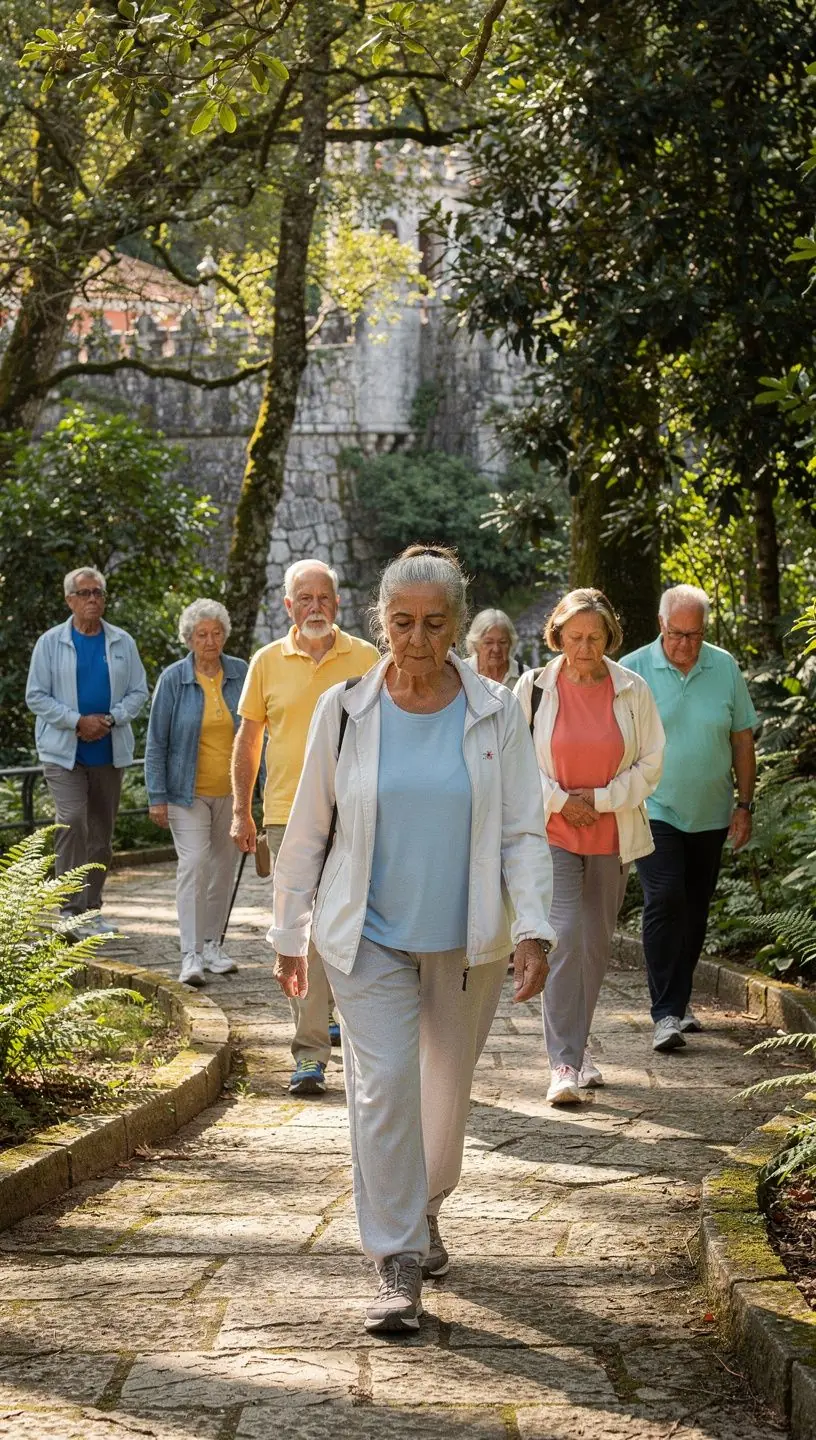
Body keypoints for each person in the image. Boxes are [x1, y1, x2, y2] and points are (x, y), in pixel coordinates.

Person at [269, 544, 556, 1333]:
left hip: (467, 944)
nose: (419, 640)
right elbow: (307, 833)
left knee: (442, 1094)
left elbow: (522, 832)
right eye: (402, 623)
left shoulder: (496, 711)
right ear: (381, 623)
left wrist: (534, 927)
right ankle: (394, 1260)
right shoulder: (345, 710)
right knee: (383, 1086)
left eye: (434, 624)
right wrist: (289, 931)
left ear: (458, 626)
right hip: (367, 939)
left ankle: (427, 1204)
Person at [230, 559, 380, 1096]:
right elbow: (248, 743)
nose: (315, 607)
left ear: (336, 604)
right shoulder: (267, 661)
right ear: (288, 606)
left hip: (357, 815)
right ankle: (310, 1054)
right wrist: (240, 810)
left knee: (360, 926)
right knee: (301, 932)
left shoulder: (366, 658)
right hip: (286, 815)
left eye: (324, 598)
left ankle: (361, 1039)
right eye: (304, 599)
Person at [514, 589, 664, 1104]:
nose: (584, 648)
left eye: (594, 638)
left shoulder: (632, 690)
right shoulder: (533, 688)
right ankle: (562, 1064)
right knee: (568, 935)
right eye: (574, 637)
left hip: (610, 832)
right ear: (557, 635)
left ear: (609, 638)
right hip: (552, 831)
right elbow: (513, 764)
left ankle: (577, 1048)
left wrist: (600, 799)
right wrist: (560, 800)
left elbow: (651, 763)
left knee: (595, 947)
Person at [620, 584, 757, 1053]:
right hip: (654, 807)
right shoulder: (633, 669)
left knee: (695, 908)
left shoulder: (725, 667)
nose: (685, 645)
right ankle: (664, 1013)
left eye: (695, 635)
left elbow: (742, 740)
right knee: (664, 897)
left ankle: (678, 1000)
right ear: (661, 626)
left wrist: (745, 804)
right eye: (677, 634)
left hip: (712, 811)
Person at [25, 567, 149, 935]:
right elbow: (36, 695)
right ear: (70, 600)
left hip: (108, 751)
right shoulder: (50, 643)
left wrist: (109, 719)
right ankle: (68, 910)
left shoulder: (122, 641)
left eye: (99, 593)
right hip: (63, 752)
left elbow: (139, 692)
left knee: (101, 834)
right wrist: (77, 721)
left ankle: (92, 909)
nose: (94, 599)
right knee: (72, 820)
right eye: (86, 593)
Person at [145, 599, 248, 987]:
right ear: (189, 638)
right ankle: (190, 954)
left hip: (232, 794)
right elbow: (156, 742)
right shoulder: (174, 679)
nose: (211, 641)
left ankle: (212, 946)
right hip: (184, 793)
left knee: (222, 870)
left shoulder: (240, 672)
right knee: (194, 865)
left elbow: (257, 733)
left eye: (217, 633)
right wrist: (157, 795)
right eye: (202, 634)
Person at [465, 608, 523, 687]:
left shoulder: (524, 675)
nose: (496, 649)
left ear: (511, 643)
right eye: (488, 642)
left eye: (502, 642)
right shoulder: (460, 672)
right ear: (475, 644)